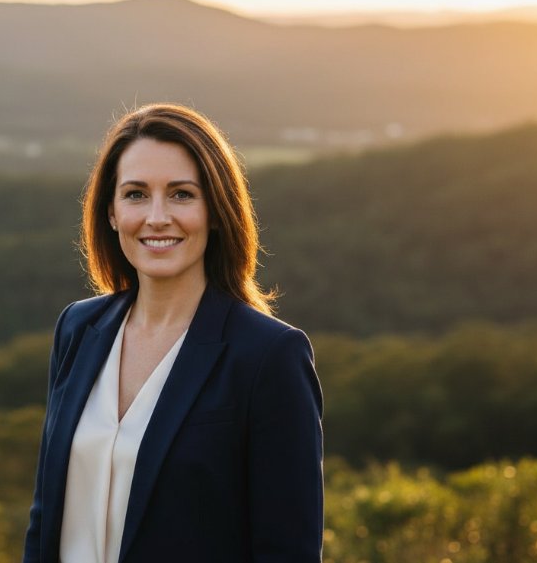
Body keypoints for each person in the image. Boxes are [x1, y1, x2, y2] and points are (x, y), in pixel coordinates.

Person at [23, 103, 323, 563]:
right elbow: (45, 518)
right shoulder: (78, 329)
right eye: (136, 194)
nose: (157, 217)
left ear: (217, 211)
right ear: (110, 211)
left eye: (182, 194)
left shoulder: (268, 355)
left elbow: (288, 552)